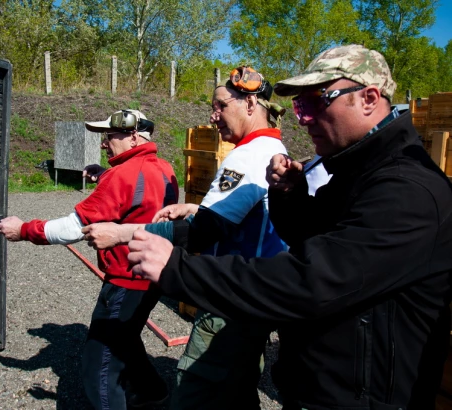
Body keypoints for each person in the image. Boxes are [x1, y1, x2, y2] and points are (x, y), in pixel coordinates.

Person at [124, 44, 452, 408]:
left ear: (369, 99)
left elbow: (312, 280)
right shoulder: (359, 170)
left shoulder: (407, 191)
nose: (303, 118)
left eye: (315, 102)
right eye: (300, 106)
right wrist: (291, 196)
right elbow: (317, 242)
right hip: (328, 387)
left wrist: (176, 267)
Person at [83, 67, 290, 409]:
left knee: (197, 389)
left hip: (230, 296)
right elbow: (245, 216)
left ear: (251, 103)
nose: (213, 115)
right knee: (237, 388)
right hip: (255, 291)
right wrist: (195, 208)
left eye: (221, 105)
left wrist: (123, 232)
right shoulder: (270, 147)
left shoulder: (246, 155)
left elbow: (204, 233)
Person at [0, 109, 179, 409]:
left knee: (100, 369)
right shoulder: (164, 168)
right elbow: (141, 195)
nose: (105, 144)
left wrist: (24, 229)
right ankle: (153, 392)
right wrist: (105, 175)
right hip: (153, 276)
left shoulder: (122, 175)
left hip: (125, 282)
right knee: (128, 338)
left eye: (110, 137)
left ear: (133, 136)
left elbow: (73, 228)